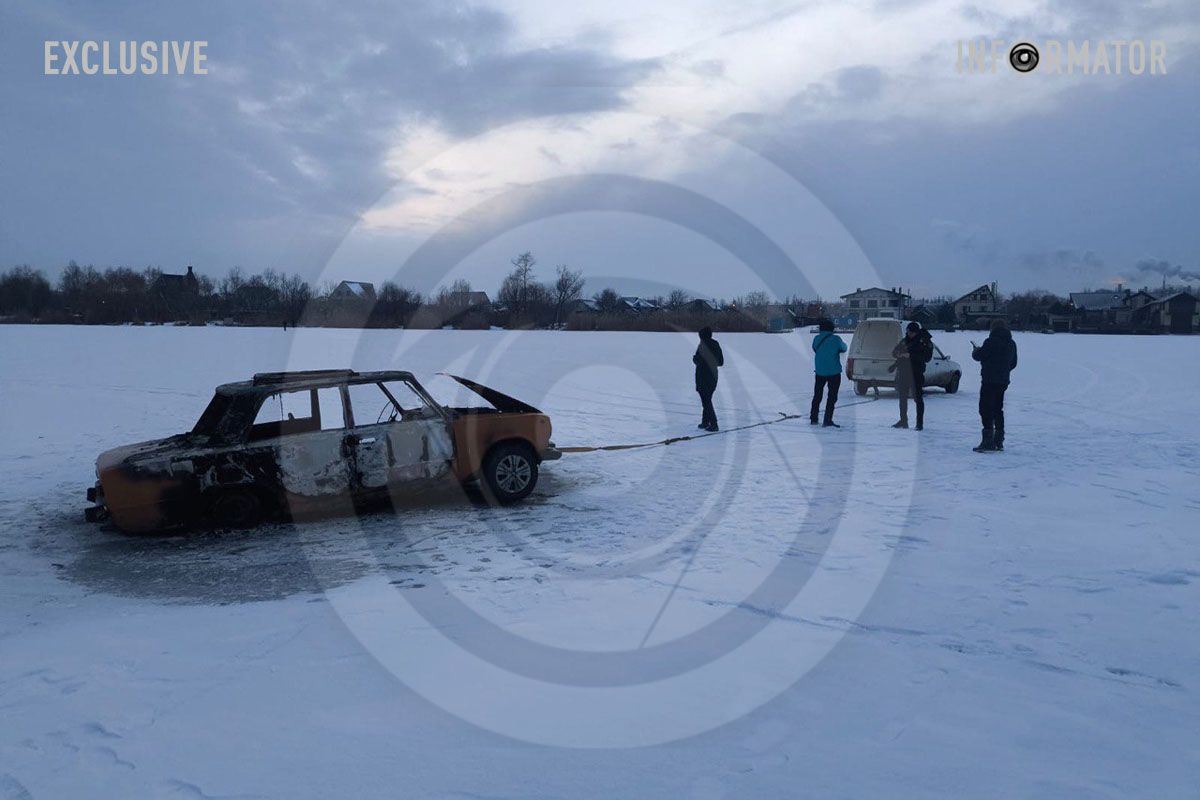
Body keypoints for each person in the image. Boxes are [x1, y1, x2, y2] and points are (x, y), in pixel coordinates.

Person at [971, 318, 1018, 451]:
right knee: (998, 409)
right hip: (1003, 381)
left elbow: (979, 356)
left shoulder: (990, 342)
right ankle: (999, 440)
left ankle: (987, 441)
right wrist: (1004, 370)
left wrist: (976, 351)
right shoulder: (1012, 343)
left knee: (985, 409)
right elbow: (1013, 363)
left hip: (989, 380)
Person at [890, 322, 933, 430]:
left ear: (915, 332)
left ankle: (919, 423)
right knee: (902, 398)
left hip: (916, 373)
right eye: (907, 332)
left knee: (918, 399)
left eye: (910, 332)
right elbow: (894, 352)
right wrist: (898, 354)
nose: (908, 334)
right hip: (903, 372)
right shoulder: (905, 341)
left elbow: (927, 357)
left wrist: (910, 356)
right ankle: (903, 421)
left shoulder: (924, 341)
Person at [810, 318, 848, 427]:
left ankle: (813, 418)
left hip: (819, 371)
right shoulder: (836, 339)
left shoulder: (816, 339)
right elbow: (844, 348)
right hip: (834, 372)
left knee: (817, 395)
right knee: (832, 397)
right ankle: (827, 420)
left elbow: (814, 348)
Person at [693, 326, 724, 431]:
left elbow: (699, 360)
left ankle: (714, 424)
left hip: (703, 376)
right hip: (713, 376)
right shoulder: (716, 344)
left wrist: (696, 358)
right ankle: (705, 422)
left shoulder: (702, 345)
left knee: (706, 400)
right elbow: (720, 362)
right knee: (707, 399)